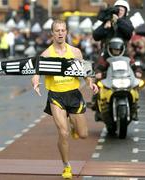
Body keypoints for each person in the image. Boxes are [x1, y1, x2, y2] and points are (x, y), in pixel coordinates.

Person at [31, 19, 98, 179]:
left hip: (73, 95)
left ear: (66, 32)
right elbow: (36, 72)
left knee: (83, 134)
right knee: (63, 132)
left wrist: (91, 83)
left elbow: (86, 73)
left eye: (63, 30)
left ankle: (75, 127)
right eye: (57, 30)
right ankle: (66, 166)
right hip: (56, 96)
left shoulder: (75, 52)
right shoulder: (46, 54)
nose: (60, 33)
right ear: (52, 33)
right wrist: (35, 81)